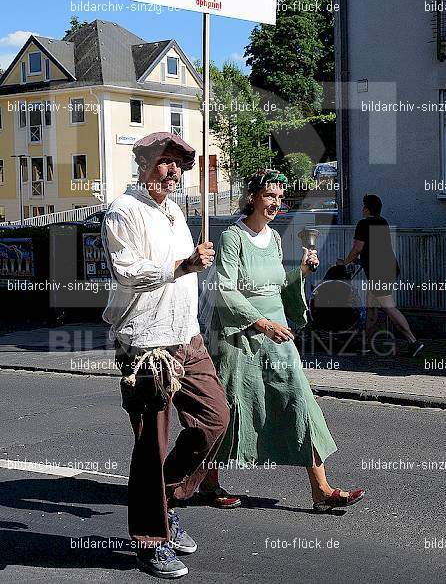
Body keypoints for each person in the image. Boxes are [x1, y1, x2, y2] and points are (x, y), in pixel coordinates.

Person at [101, 132, 230, 578]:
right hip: (145, 344)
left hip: (186, 337)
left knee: (216, 418)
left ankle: (169, 496)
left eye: (180, 164)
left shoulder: (175, 211)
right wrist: (182, 266)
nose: (174, 171)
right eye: (166, 161)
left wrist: (197, 274)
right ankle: (151, 539)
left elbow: (187, 275)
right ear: (143, 163)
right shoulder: (123, 211)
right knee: (152, 445)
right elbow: (128, 271)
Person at [198, 169, 365, 511]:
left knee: (300, 402)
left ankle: (322, 490)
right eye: (268, 196)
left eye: (279, 197)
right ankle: (209, 482)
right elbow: (224, 289)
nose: (275, 203)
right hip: (240, 338)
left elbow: (275, 285)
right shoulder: (233, 237)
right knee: (231, 409)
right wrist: (260, 323)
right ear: (252, 198)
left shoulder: (274, 238)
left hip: (278, 337)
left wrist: (302, 272)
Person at [339, 194, 424, 356]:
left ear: (366, 209)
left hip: (379, 272)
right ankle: (365, 343)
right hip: (387, 268)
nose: (361, 209)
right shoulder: (382, 222)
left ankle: (413, 341)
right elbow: (374, 248)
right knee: (371, 308)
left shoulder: (363, 223)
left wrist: (345, 263)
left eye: (363, 206)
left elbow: (358, 248)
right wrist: (359, 261)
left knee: (388, 306)